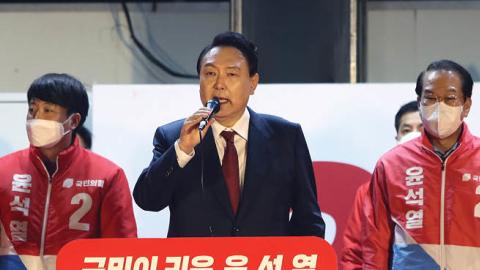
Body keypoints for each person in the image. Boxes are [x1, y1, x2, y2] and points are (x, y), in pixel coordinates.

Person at [133, 32, 325, 237]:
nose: (219, 84)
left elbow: (308, 220)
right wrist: (182, 149)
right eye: (210, 74)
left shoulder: (286, 137)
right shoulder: (173, 137)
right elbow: (148, 200)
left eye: (231, 74)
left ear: (253, 83)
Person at [0, 73, 137, 270]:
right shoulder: (4, 170)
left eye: (48, 110)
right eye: (32, 109)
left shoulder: (107, 175)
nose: (36, 118)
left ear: (73, 121)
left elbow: (123, 251)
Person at [362, 60, 479, 269]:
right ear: (419, 101)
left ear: (466, 105)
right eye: (431, 98)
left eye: (450, 98)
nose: (439, 106)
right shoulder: (391, 164)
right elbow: (375, 242)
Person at [340, 100, 422, 269]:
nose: (414, 135)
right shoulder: (370, 190)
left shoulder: (450, 187)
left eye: (422, 129)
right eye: (406, 130)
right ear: (397, 137)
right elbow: (353, 254)